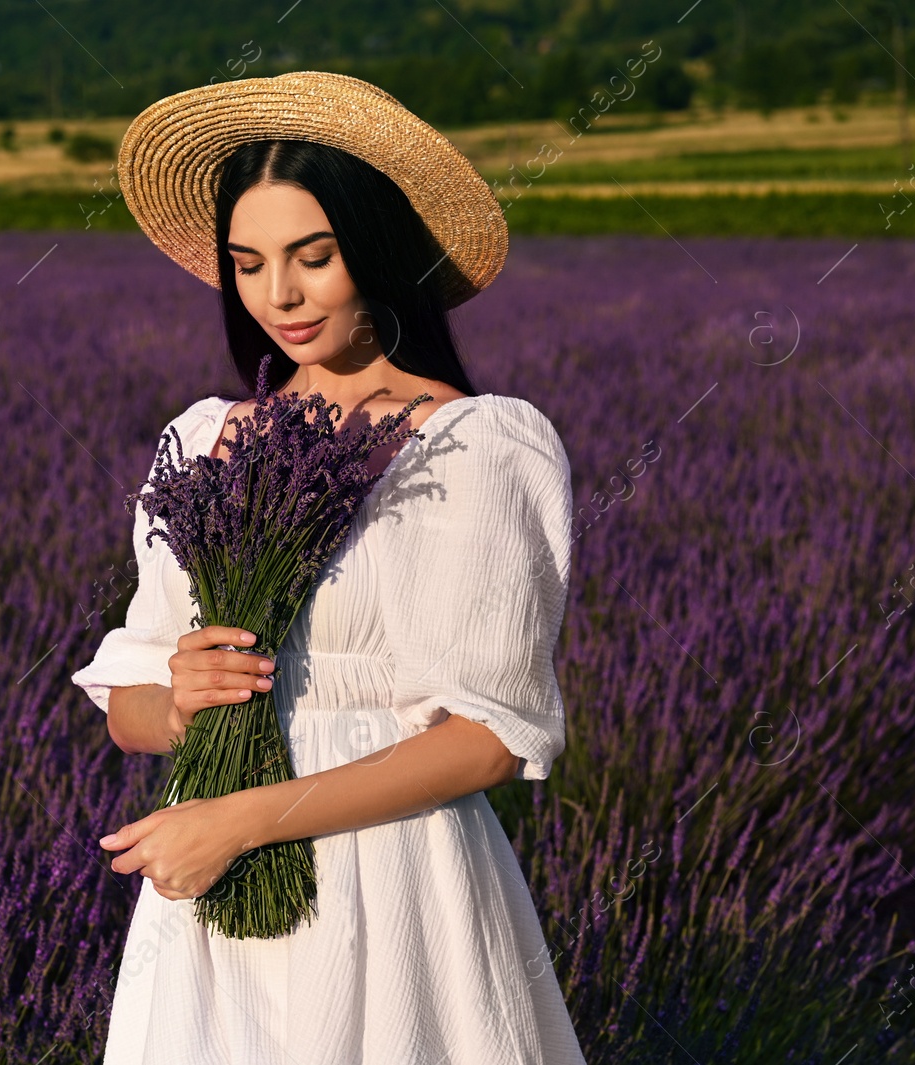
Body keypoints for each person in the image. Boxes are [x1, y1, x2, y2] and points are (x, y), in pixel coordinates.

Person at [70, 71, 585, 1065]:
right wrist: (179, 697)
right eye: (249, 262)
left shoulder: (476, 446)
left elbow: (487, 739)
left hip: (390, 879)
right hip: (210, 889)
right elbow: (129, 703)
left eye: (315, 255)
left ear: (377, 250)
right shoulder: (204, 438)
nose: (280, 296)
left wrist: (242, 821)